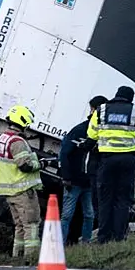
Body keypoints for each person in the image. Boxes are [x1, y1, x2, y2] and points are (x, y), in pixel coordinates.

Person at [87, 85, 135, 243]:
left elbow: (92, 134)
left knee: (105, 199)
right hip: (128, 161)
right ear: (131, 98)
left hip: (107, 160)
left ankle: (103, 238)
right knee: (122, 199)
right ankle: (119, 237)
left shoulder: (102, 110)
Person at [0, 104, 44, 259]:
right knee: (31, 224)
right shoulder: (17, 141)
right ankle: (31, 257)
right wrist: (41, 164)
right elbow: (25, 165)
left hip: (9, 191)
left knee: (20, 226)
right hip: (22, 190)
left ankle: (17, 257)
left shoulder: (3, 138)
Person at [58, 95, 107, 245]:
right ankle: (59, 245)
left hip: (89, 183)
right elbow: (64, 153)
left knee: (90, 215)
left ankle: (85, 245)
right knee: (67, 215)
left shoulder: (104, 132)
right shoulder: (79, 130)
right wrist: (66, 176)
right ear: (92, 109)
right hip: (74, 181)